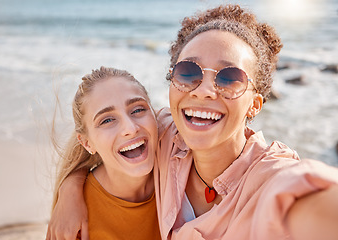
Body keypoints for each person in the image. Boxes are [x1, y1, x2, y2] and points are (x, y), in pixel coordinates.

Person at [47, 4, 338, 240]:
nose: (203, 90)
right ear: (172, 84)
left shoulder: (269, 176)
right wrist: (71, 187)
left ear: (255, 104)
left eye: (229, 78)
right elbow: (102, 137)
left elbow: (302, 194)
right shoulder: (163, 137)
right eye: (188, 73)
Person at [47, 66, 161, 240]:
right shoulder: (78, 221)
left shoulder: (178, 163)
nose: (130, 128)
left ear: (154, 114)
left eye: (138, 110)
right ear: (86, 143)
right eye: (107, 120)